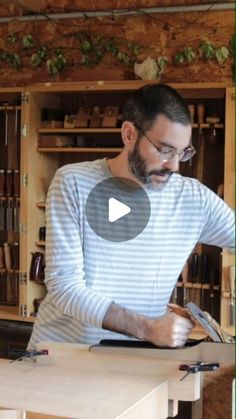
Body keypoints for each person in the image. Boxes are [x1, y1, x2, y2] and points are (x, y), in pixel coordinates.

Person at [28, 84, 234, 350]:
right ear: (129, 134)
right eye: (164, 150)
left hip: (134, 361)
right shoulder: (73, 182)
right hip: (63, 357)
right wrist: (149, 327)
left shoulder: (193, 199)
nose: (174, 166)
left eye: (183, 152)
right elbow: (64, 287)